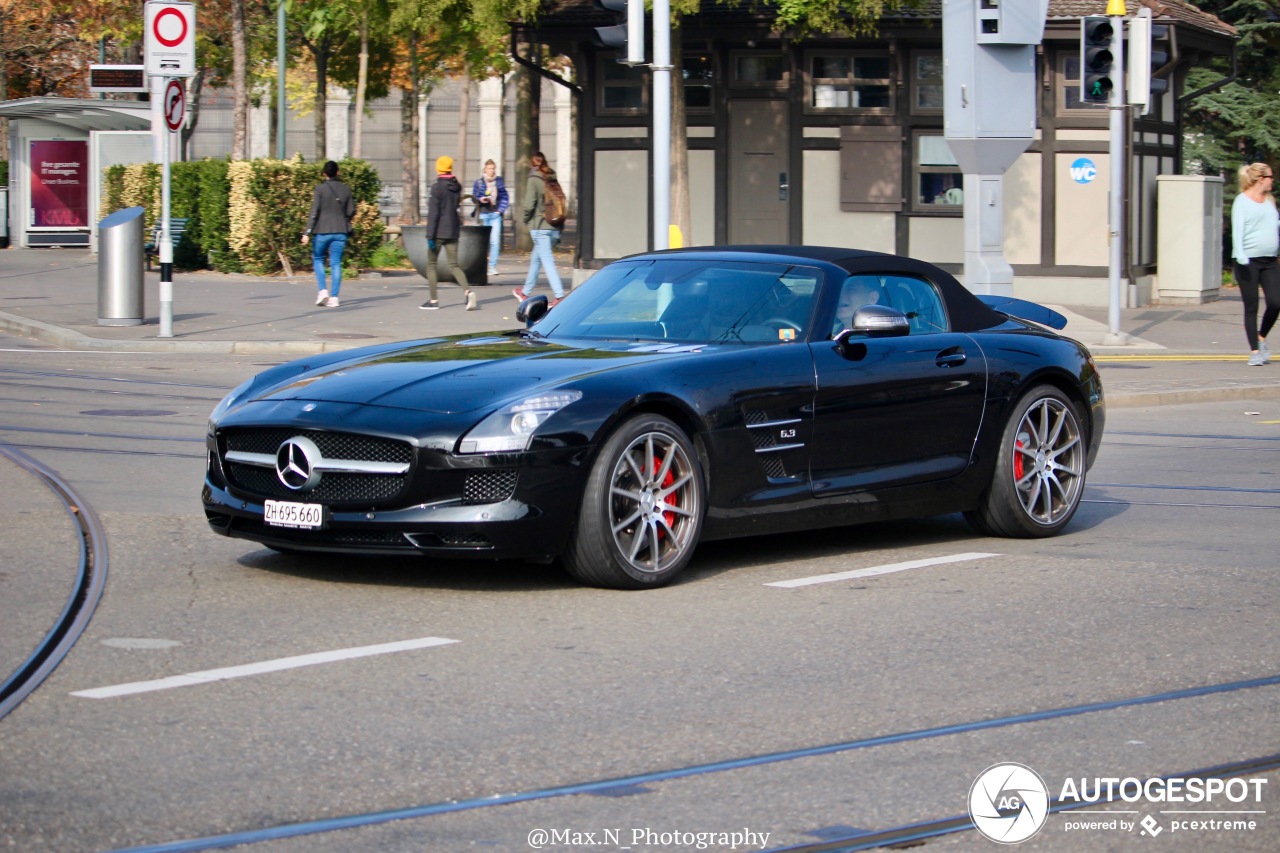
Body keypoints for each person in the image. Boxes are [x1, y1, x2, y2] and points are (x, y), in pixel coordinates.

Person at [1231, 162, 1280, 366]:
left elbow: (1272, 226)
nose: (1272, 181)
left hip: (1269, 261)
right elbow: (1238, 230)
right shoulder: (1241, 202)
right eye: (1270, 177)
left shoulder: (1269, 201)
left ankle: (1261, 338)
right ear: (1261, 179)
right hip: (1248, 261)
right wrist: (1241, 254)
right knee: (1251, 306)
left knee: (1276, 302)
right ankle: (1254, 352)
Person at [513, 152, 565, 307]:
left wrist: (524, 220)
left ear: (532, 164)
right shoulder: (551, 176)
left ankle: (559, 295)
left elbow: (529, 205)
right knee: (536, 259)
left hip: (540, 225)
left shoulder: (534, 179)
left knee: (547, 260)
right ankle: (525, 292)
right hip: (554, 225)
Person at [301, 160, 355, 308]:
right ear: (338, 172)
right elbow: (351, 211)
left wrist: (307, 232)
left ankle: (323, 291)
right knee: (336, 263)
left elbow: (314, 212)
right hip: (341, 231)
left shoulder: (320, 189)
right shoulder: (346, 189)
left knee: (318, 258)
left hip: (322, 231)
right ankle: (335, 297)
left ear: (324, 174)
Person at [420, 155, 471, 310]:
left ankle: (434, 301)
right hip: (453, 230)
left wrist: (430, 235)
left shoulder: (437, 188)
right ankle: (468, 292)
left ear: (438, 168)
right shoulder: (457, 187)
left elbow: (433, 213)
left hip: (438, 232)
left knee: (431, 265)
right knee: (454, 265)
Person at [472, 159, 509, 276]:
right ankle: (481, 265)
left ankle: (492, 266)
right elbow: (474, 197)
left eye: (493, 168)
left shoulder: (499, 181)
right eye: (489, 168)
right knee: (483, 242)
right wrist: (480, 199)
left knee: (495, 241)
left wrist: (500, 210)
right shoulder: (479, 182)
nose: (491, 171)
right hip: (483, 213)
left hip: (495, 215)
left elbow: (504, 197)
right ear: (485, 169)